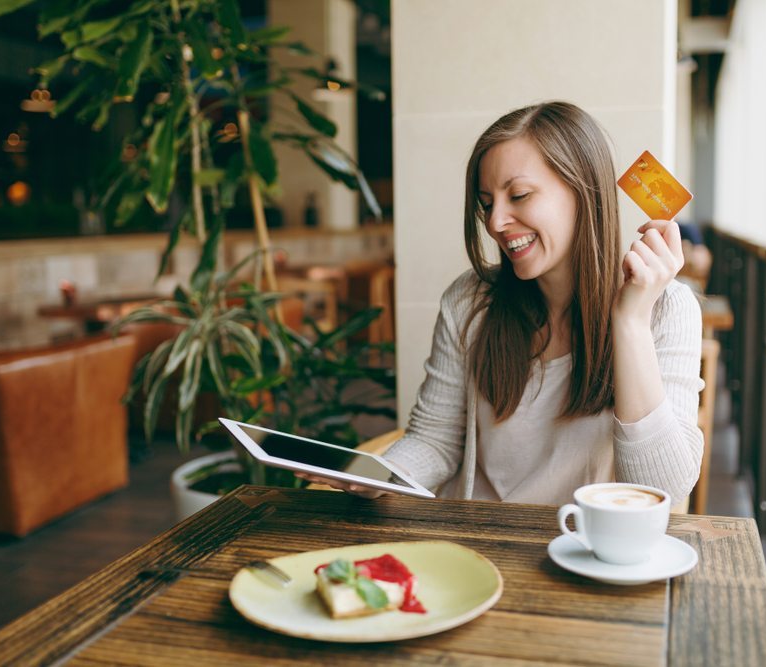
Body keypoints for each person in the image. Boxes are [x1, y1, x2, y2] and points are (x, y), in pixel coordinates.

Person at [298, 101, 704, 506]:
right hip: (477, 544)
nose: (495, 223)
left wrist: (630, 322)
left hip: (583, 553)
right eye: (487, 202)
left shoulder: (668, 310)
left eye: (520, 195)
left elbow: (662, 489)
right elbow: (435, 441)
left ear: (583, 190)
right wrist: (382, 475)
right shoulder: (470, 301)